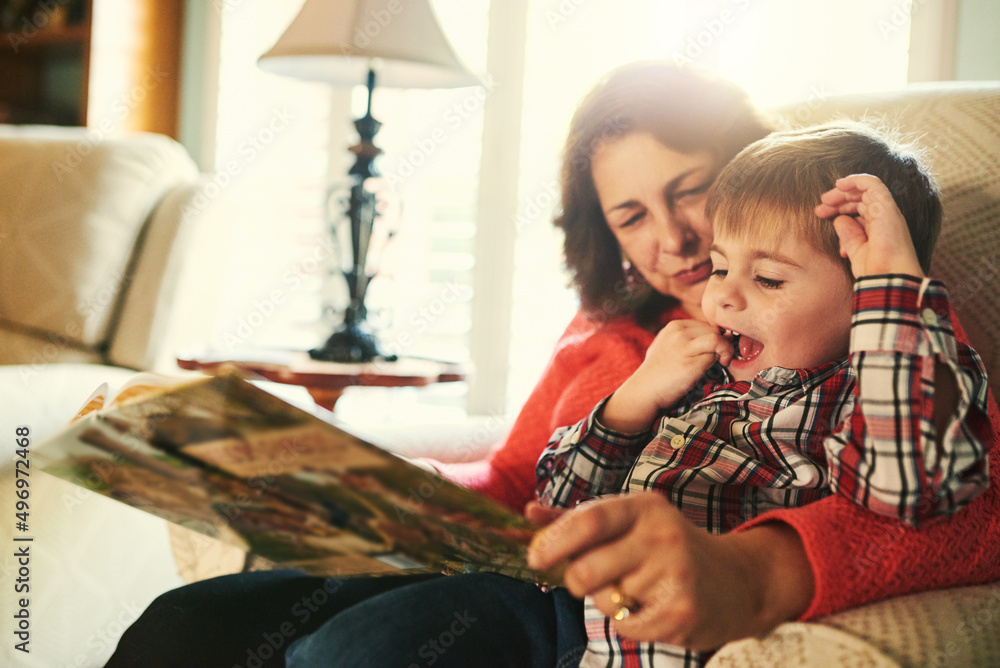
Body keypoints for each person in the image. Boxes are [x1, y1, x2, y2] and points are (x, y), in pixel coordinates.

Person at [104, 62, 1000, 668]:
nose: (677, 239)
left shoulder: (878, 332)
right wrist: (367, 478)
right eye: (632, 215)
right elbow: (519, 476)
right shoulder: (617, 333)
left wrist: (764, 569)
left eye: (692, 193)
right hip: (507, 558)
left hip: (564, 599)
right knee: (190, 622)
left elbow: (952, 486)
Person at [529, 121, 991, 666]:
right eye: (721, 267)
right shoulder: (697, 377)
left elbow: (910, 490)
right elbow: (552, 501)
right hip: (579, 625)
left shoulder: (881, 384)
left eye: (768, 279)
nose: (721, 296)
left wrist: (889, 286)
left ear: (865, 300)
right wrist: (633, 401)